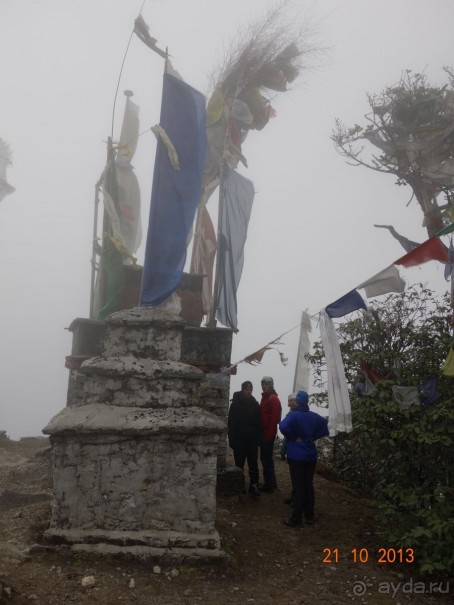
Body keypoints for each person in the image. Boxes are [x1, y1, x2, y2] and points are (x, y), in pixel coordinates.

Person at [279, 390, 329, 527]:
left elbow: (282, 426)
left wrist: (293, 437)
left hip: (296, 455)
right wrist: (313, 437)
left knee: (299, 486)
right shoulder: (314, 416)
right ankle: (309, 516)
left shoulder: (294, 415)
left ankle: (296, 518)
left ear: (298, 401)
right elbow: (326, 427)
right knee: (308, 485)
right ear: (307, 401)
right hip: (310, 455)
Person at [228, 380, 263, 497]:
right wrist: (232, 439)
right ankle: (239, 485)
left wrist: (258, 438)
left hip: (252, 440)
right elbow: (231, 423)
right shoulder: (235, 404)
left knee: (253, 463)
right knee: (239, 463)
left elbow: (259, 423)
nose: (248, 391)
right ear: (242, 390)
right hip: (239, 439)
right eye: (246, 389)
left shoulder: (255, 404)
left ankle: (254, 485)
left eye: (250, 389)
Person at [258, 376, 282, 493]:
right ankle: (271, 482)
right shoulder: (265, 398)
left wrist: (268, 436)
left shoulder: (274, 399)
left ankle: (269, 485)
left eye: (266, 384)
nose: (264, 386)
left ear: (271, 385)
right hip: (263, 433)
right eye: (263, 384)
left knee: (266, 459)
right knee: (265, 458)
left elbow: (274, 419)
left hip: (268, 434)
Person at [280, 393, 297, 460]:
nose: (292, 402)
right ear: (288, 403)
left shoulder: (299, 413)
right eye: (290, 401)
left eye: (294, 400)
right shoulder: (289, 414)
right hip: (289, 436)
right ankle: (283, 453)